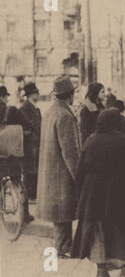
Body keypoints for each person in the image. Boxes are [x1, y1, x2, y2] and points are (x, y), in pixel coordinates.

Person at [71, 109, 125, 277]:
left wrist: (82, 194)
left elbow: (80, 171)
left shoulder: (90, 141)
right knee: (124, 232)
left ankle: (101, 272)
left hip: (94, 195)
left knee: (99, 232)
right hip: (120, 195)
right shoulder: (122, 141)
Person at [36, 75, 82, 259]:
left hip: (51, 171)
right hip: (61, 174)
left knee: (60, 214)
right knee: (63, 212)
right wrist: (79, 175)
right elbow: (70, 152)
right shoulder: (64, 115)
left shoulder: (50, 112)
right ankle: (62, 248)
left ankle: (62, 246)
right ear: (69, 95)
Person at [0, 86, 35, 223]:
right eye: (6, 96)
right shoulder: (12, 110)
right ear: (3, 97)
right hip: (12, 156)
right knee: (18, 182)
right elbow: (28, 125)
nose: (7, 99)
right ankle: (25, 214)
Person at [19, 83, 42, 204]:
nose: (38, 94)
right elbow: (22, 128)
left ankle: (33, 195)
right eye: (36, 92)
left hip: (37, 144)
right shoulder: (24, 108)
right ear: (31, 95)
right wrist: (34, 137)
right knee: (29, 170)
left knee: (36, 168)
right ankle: (29, 195)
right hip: (30, 145)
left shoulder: (35, 108)